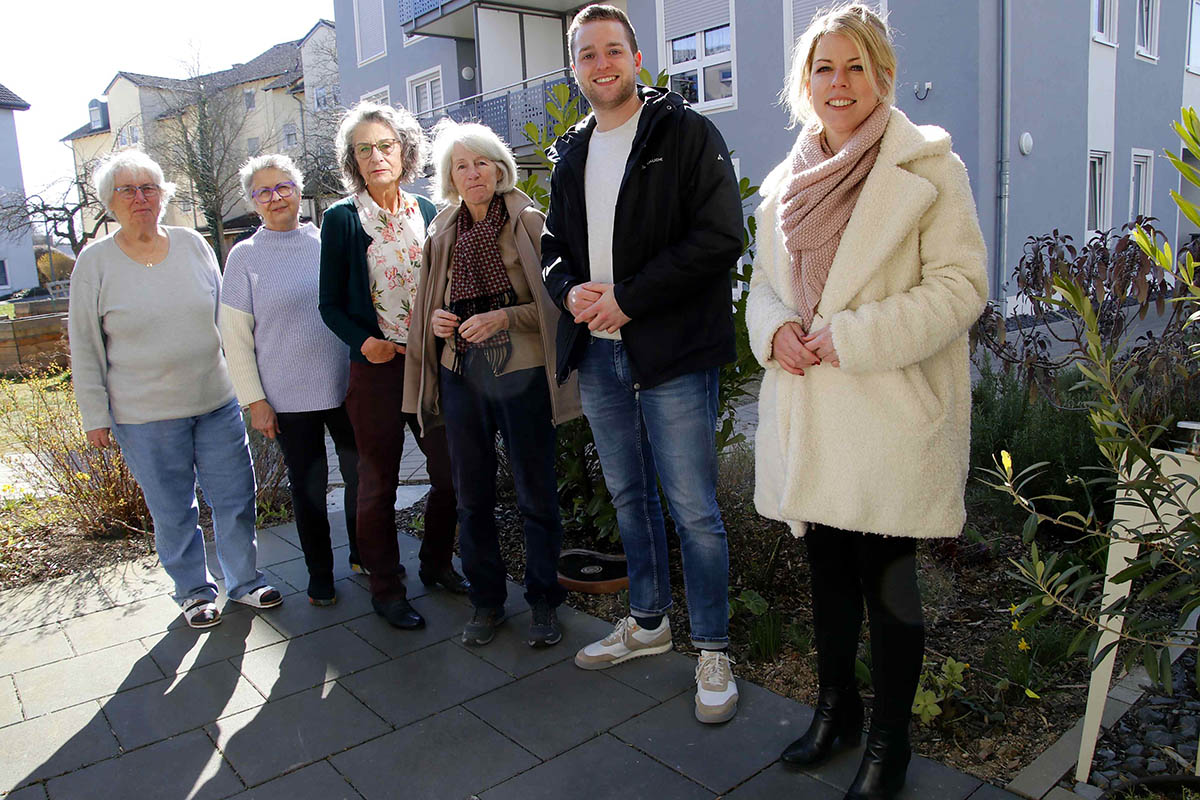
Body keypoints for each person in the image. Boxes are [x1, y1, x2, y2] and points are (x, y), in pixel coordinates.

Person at [748, 5, 988, 798]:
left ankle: (891, 742)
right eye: (824, 68)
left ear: (882, 73)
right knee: (826, 577)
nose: (839, 83)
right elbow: (764, 290)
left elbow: (961, 289)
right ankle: (836, 711)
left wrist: (851, 335)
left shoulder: (929, 170)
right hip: (814, 411)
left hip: (886, 411)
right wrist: (775, 329)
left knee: (889, 585)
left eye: (856, 66)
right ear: (805, 83)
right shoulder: (784, 183)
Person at [542, 4, 744, 724]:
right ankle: (650, 622)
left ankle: (713, 647)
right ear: (575, 69)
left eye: (613, 50)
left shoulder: (685, 133)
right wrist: (571, 295)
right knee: (630, 497)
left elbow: (722, 236)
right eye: (587, 55)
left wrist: (630, 298)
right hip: (597, 353)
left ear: (636, 57)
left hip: (672, 351)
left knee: (693, 509)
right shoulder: (571, 150)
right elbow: (554, 249)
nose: (602, 64)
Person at [68, 148, 282, 630]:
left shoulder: (192, 245)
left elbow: (225, 321)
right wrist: (95, 415)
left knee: (235, 495)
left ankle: (244, 582)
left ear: (164, 196)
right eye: (128, 190)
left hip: (214, 400)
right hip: (142, 413)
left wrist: (250, 388)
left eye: (149, 188)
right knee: (172, 509)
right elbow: (84, 344)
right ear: (109, 202)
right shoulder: (94, 263)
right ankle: (193, 591)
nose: (140, 198)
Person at [405, 120, 581, 648]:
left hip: (521, 373)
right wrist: (437, 319)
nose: (473, 172)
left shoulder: (528, 222)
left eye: (481, 161)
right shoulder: (442, 230)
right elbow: (430, 303)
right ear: (450, 177)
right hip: (462, 374)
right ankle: (486, 602)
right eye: (461, 165)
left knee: (535, 493)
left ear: (499, 167)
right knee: (470, 496)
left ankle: (545, 601)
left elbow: (554, 305)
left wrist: (505, 318)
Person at [318, 102, 466, 631]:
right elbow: (330, 303)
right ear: (352, 160)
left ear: (405, 150)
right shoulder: (340, 219)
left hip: (432, 367)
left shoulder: (428, 212)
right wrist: (364, 342)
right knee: (376, 484)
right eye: (363, 149)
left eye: (384, 145)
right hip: (378, 371)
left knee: (452, 473)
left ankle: (436, 564)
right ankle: (386, 588)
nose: (375, 156)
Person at [219, 153, 360, 607]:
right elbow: (235, 338)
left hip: (345, 385)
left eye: (284, 186)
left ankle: (363, 552)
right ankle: (321, 575)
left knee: (362, 474)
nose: (276, 197)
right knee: (309, 487)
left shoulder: (328, 242)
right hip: (287, 397)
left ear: (299, 191)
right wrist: (254, 400)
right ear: (253, 202)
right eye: (264, 191)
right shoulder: (243, 257)